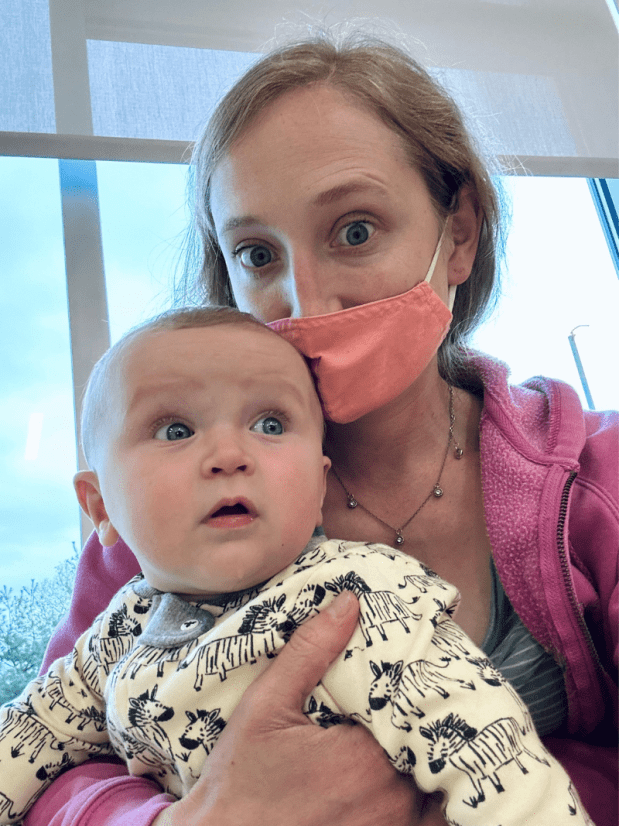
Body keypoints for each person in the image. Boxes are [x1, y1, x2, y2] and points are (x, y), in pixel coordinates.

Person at [24, 33, 617, 826]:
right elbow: (52, 757)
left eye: (355, 230)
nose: (304, 301)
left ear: (461, 235)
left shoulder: (594, 480)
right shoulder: (167, 506)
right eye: (258, 253)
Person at [0, 306, 588, 826]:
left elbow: (496, 761)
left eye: (270, 425)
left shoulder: (357, 597)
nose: (230, 456)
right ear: (100, 508)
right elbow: (31, 737)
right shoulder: (115, 636)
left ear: (319, 482)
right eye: (176, 430)